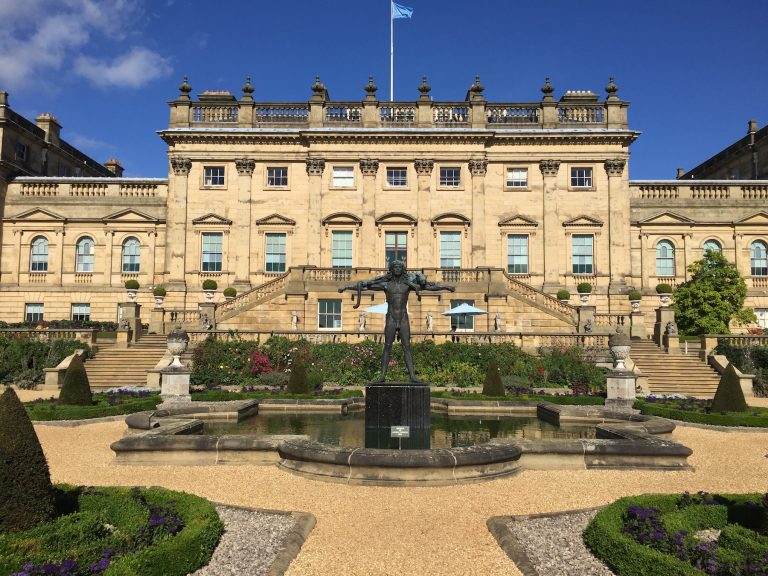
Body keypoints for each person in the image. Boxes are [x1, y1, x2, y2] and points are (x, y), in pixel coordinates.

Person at [339, 260, 454, 383]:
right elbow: (364, 286)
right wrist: (346, 287)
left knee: (407, 347)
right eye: (395, 267)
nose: (398, 269)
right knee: (387, 347)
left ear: (402, 269)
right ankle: (382, 376)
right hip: (391, 319)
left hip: (403, 318)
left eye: (400, 267)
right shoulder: (385, 285)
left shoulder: (408, 285)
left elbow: (430, 287)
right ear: (391, 270)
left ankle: (412, 377)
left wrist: (446, 287)